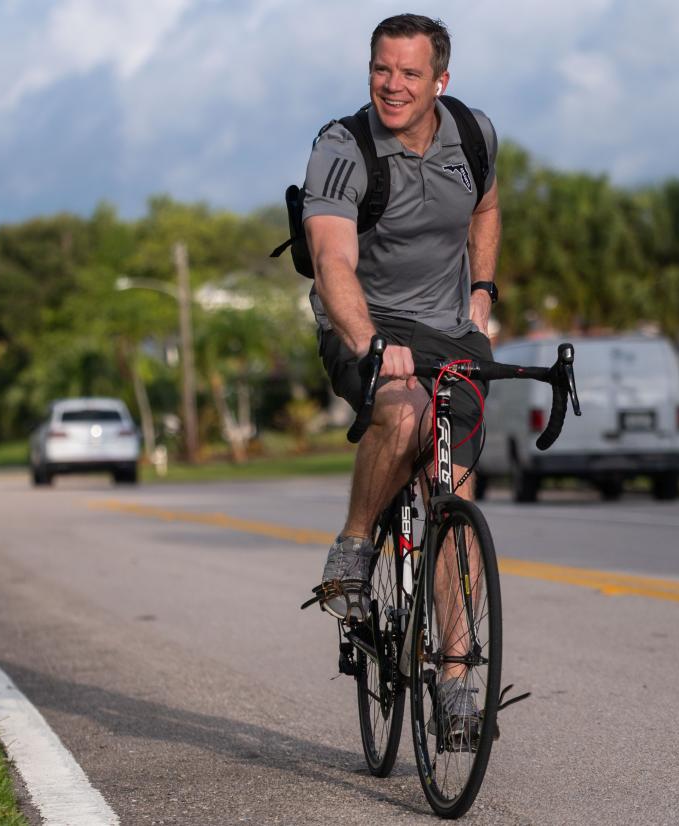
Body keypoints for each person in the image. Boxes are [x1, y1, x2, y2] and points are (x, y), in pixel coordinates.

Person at [301, 13, 500, 739]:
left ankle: (454, 683)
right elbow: (331, 265)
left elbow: (485, 207)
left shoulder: (473, 136)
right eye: (381, 69)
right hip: (363, 323)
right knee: (405, 411)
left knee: (454, 495)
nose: (392, 84)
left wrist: (481, 295)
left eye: (409, 73)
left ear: (439, 81)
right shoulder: (342, 147)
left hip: (450, 332)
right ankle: (354, 545)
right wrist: (370, 342)